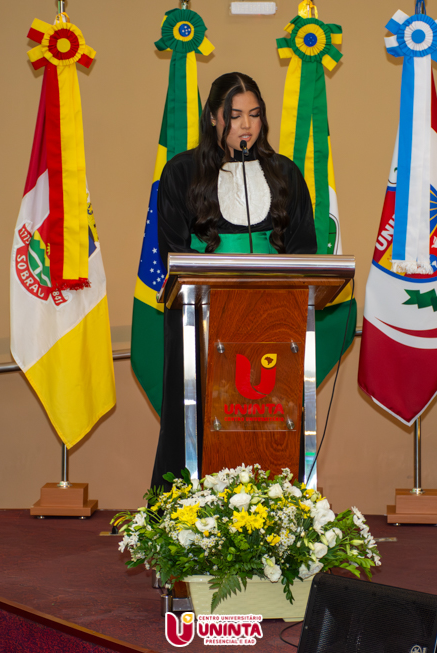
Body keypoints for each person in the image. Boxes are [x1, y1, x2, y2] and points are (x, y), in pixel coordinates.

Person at [151, 72, 317, 488]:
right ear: (213, 117)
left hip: (274, 319)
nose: (246, 125)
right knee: (201, 416)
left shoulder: (285, 174)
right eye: (235, 115)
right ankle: (188, 506)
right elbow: (173, 251)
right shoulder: (181, 173)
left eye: (254, 115)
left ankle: (278, 503)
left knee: (270, 413)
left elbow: (303, 251)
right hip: (200, 320)